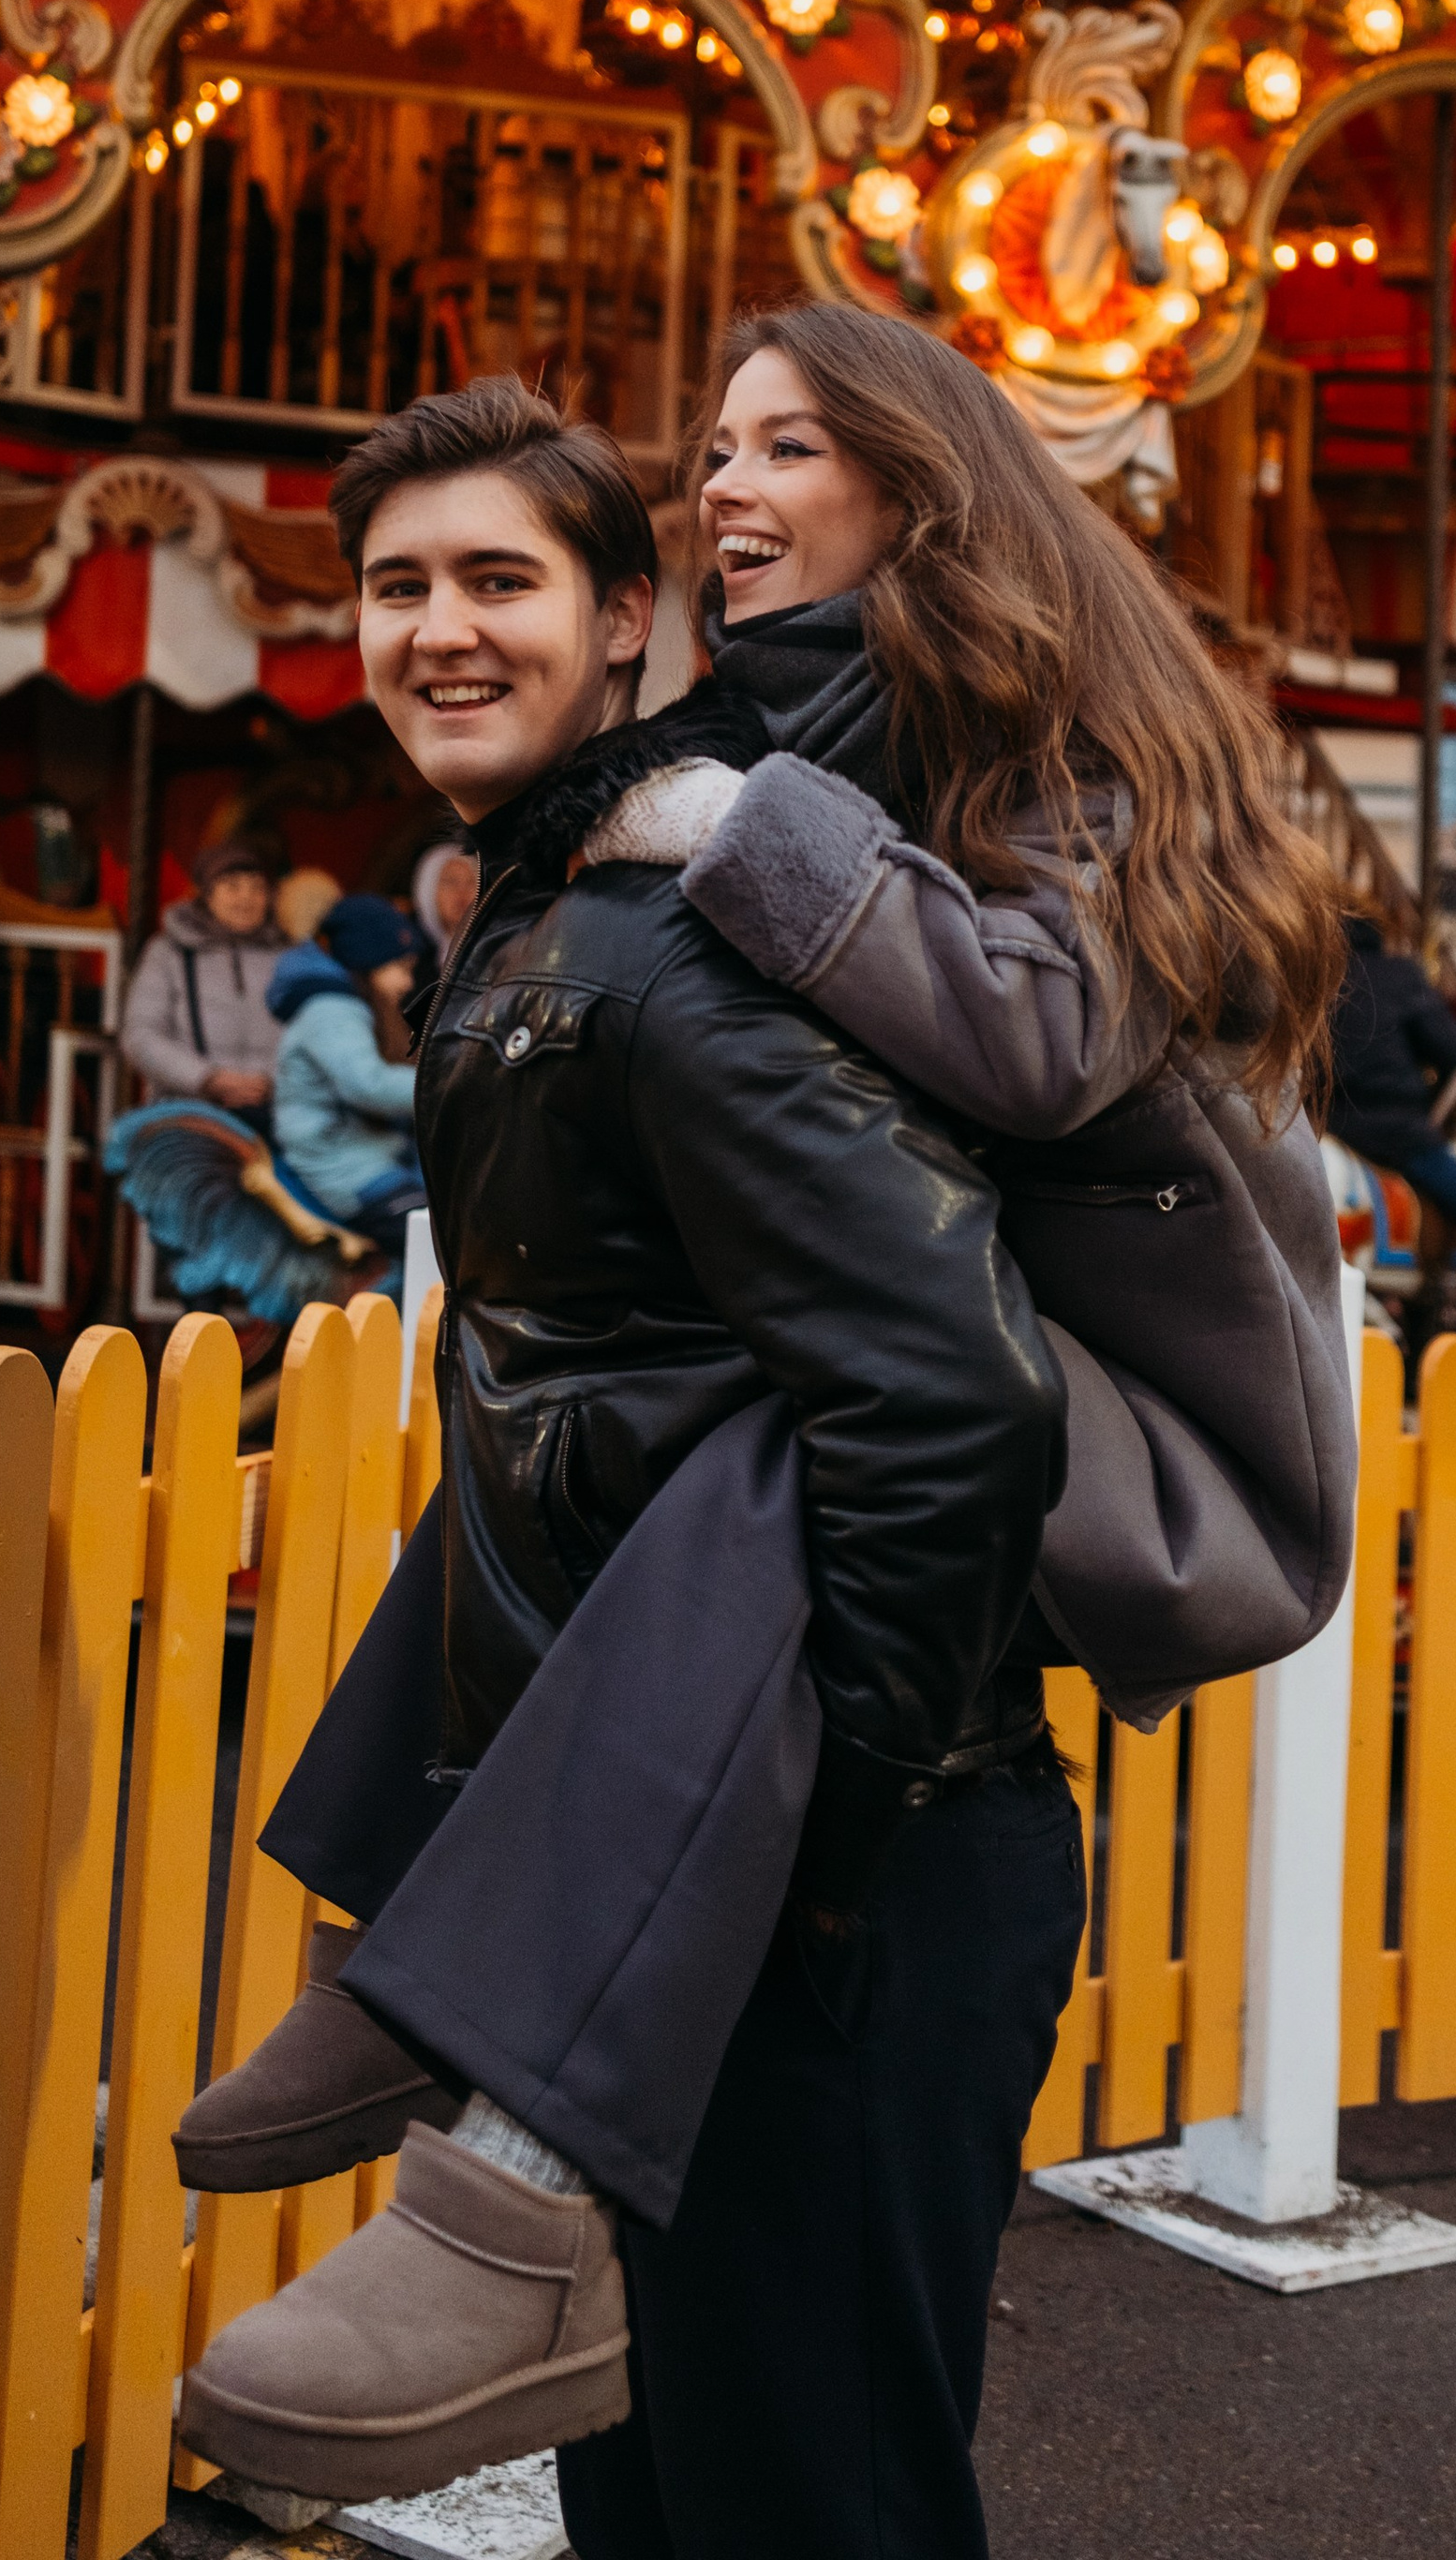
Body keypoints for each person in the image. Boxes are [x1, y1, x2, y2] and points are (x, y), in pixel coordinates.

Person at [175, 346, 1348, 2552]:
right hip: (789, 1746)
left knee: (803, 2491)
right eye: (709, 447)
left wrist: (852, 1820)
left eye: (785, 445)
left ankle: (506, 2119)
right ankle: (426, 1955)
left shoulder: (1005, 764)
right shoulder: (735, 778)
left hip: (1115, 1477)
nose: (729, 481)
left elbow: (987, 1212)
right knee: (679, 2475)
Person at [1326, 910, 1456, 1362]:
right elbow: (1452, 1052)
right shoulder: (1400, 976)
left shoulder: (1322, 983)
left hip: (1333, 1126)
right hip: (1396, 1132)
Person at [266, 894, 424, 1256]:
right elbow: (367, 1085)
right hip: (345, 1168)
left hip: (371, 1157)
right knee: (429, 1239)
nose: (407, 982)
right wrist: (443, 1086)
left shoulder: (352, 1006)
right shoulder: (331, 1011)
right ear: (366, 961)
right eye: (400, 967)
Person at [120, 836, 286, 1116]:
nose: (247, 898)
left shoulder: (288, 957)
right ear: (207, 895)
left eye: (257, 888)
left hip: (275, 1110)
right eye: (232, 887)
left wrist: (272, 1083)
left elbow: (311, 1034)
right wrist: (208, 1079)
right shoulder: (169, 952)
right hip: (189, 1109)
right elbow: (141, 1035)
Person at [410, 836, 479, 968]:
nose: (462, 892)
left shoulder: (502, 957)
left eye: (471, 882)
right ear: (427, 891)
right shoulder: (412, 961)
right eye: (451, 882)